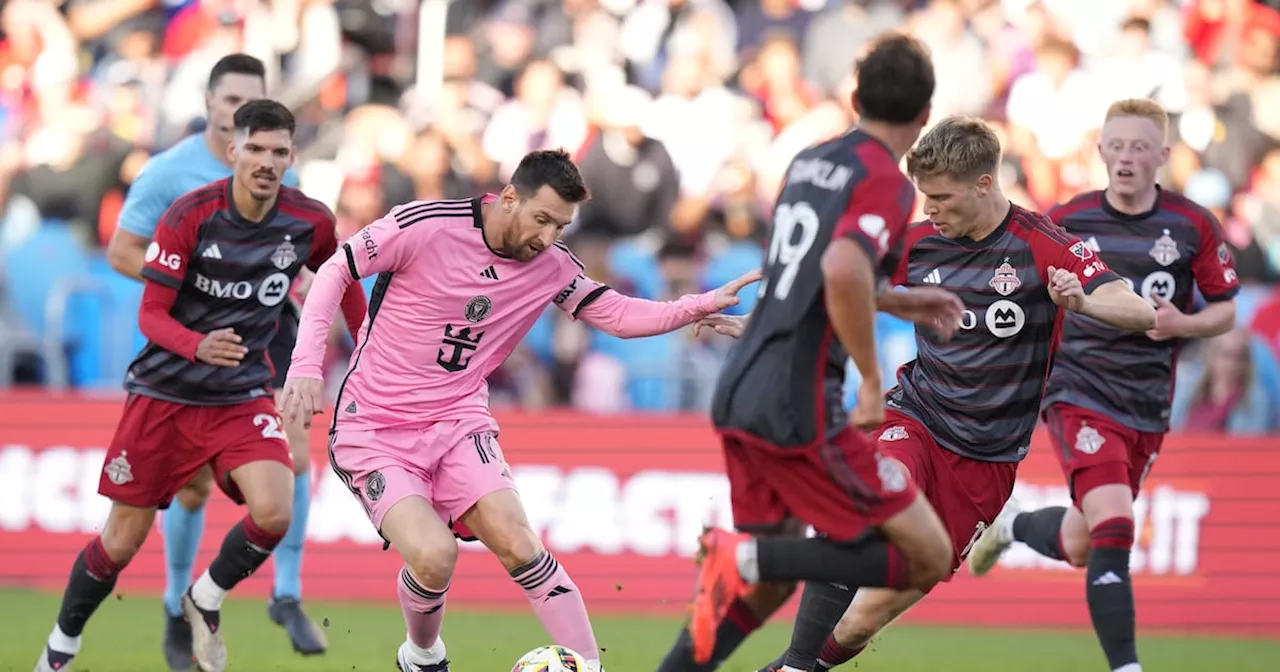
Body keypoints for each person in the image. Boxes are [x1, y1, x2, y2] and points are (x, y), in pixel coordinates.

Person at [278, 148, 761, 672]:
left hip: (459, 419)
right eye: (542, 219)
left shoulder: (550, 266)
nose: (549, 238)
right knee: (436, 556)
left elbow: (616, 314)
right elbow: (333, 271)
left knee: (519, 542)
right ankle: (422, 657)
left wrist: (698, 304)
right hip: (375, 426)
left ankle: (588, 667)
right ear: (509, 197)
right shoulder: (426, 224)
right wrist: (305, 364)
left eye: (562, 226)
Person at [731, 116, 1158, 671]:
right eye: (922, 196)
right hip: (915, 416)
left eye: (939, 197)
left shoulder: (1043, 245)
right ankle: (793, 665)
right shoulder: (918, 244)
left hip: (985, 462)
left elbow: (1140, 309)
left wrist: (1083, 303)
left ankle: (804, 665)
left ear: (984, 184)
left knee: (861, 621)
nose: (928, 209)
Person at [663, 33, 967, 672]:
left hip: (742, 385)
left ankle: (733, 581)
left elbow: (815, 277)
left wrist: (898, 302)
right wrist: (870, 378)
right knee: (927, 555)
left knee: (770, 584)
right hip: (798, 401)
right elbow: (841, 266)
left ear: (855, 98)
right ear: (922, 115)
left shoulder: (808, 160)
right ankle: (739, 555)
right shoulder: (886, 180)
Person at [34, 100, 367, 672]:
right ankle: (60, 648)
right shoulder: (191, 214)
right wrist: (197, 344)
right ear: (233, 149)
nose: (266, 161)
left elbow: (343, 277)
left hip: (240, 394)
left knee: (276, 508)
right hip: (166, 392)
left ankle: (204, 597)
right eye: (255, 148)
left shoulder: (308, 221)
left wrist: (365, 347)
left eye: (279, 152)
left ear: (292, 157)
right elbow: (152, 314)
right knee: (119, 542)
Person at [966, 98, 1240, 672]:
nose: (1125, 157)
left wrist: (1183, 324)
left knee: (1085, 541)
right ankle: (1126, 667)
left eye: (1139, 147)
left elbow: (1224, 310)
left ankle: (1012, 526)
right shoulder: (1069, 218)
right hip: (1078, 391)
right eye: (1116, 146)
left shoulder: (1192, 226)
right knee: (1116, 523)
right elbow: (1016, 286)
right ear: (1101, 151)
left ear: (1162, 156)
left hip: (1147, 405)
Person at [105, 54, 325, 664]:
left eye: (251, 103)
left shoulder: (274, 161)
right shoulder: (167, 174)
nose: (239, 116)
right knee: (195, 491)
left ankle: (287, 592)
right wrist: (190, 296)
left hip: (268, 331)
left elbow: (297, 249)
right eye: (230, 102)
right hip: (194, 342)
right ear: (208, 103)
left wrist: (301, 284)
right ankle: (178, 604)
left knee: (298, 451)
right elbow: (124, 252)